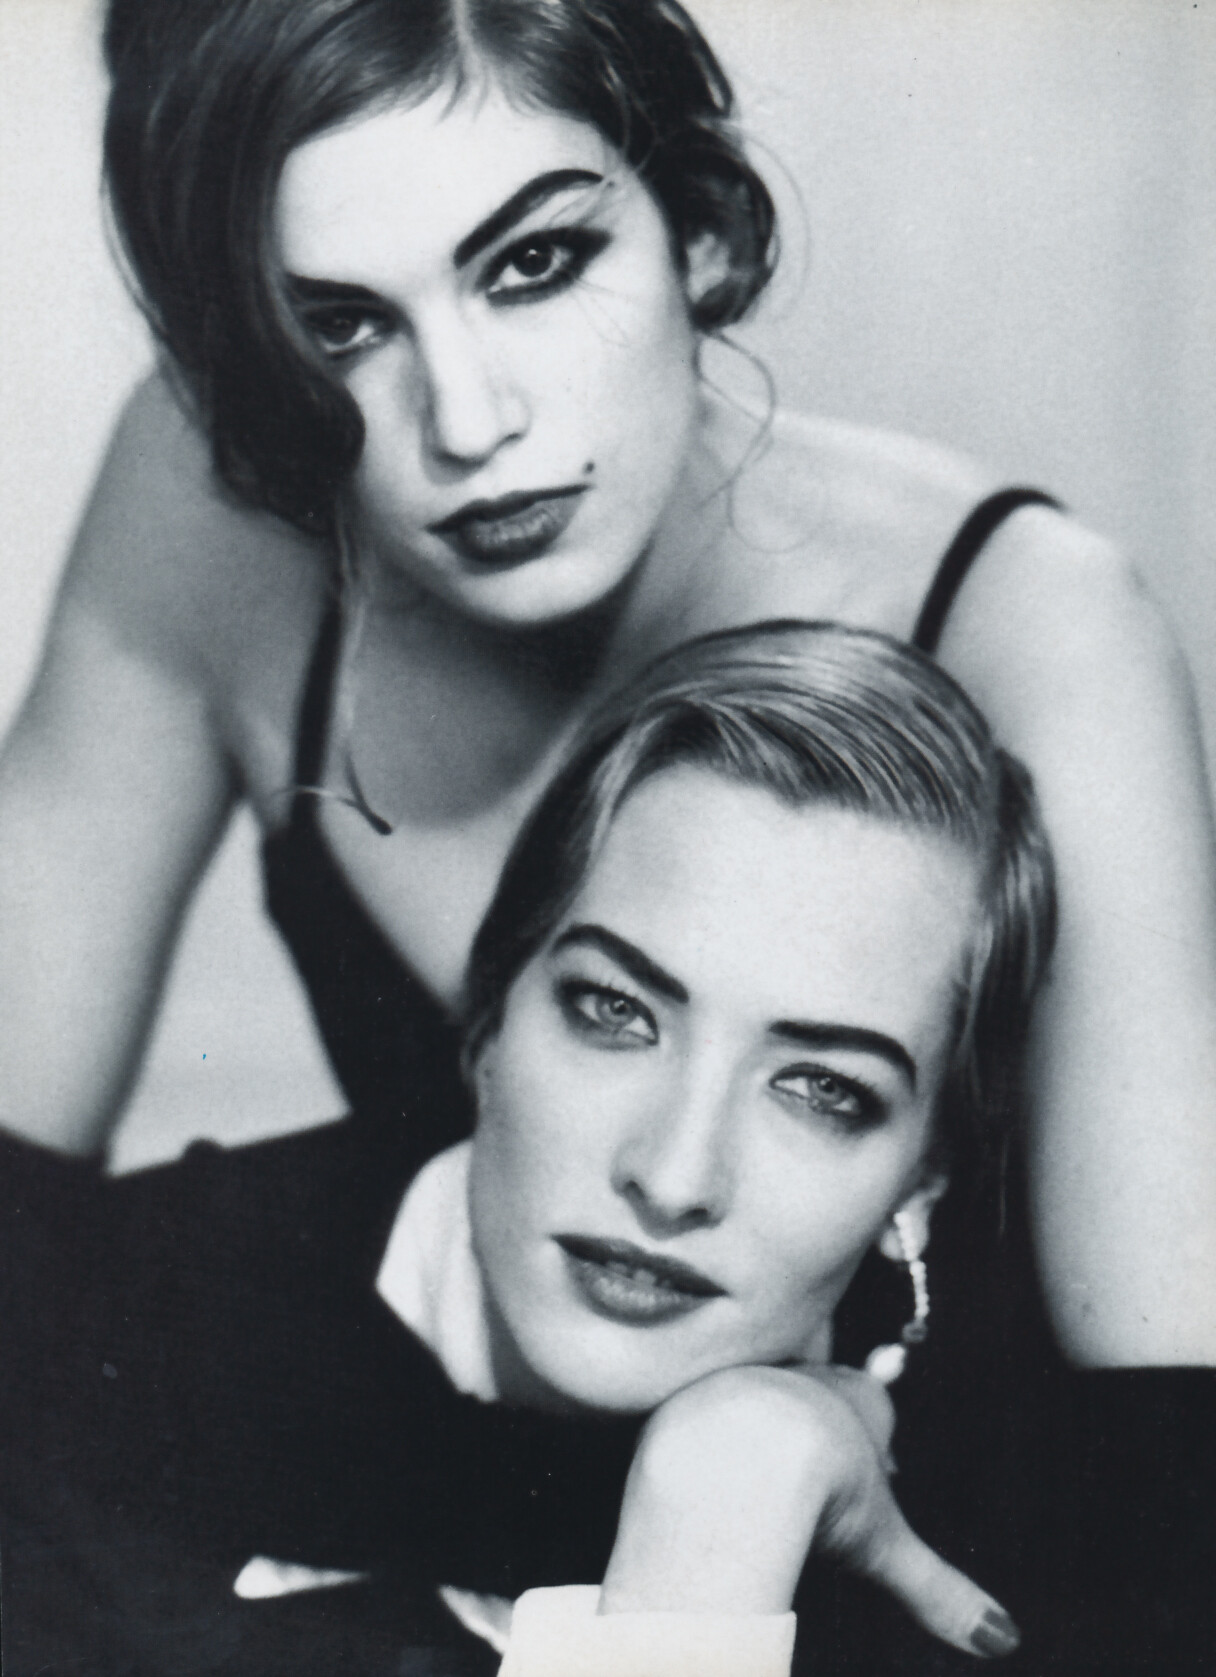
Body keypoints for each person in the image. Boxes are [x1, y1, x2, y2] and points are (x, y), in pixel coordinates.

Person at [0, 0, 1212, 1411]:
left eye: (535, 263)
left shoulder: (1032, 626)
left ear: (698, 227)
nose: (468, 422)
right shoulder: (206, 502)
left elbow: (1170, 1443)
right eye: (341, 326)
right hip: (410, 1513)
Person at [2, 621, 1072, 1677]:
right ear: (490, 1017)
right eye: (616, 1011)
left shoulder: (1010, 1528)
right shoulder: (97, 1348)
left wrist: (730, 1501)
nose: (672, 1177)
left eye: (823, 1089)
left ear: (924, 1174)